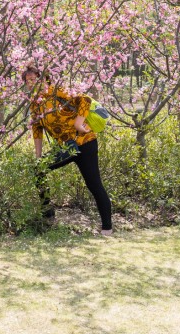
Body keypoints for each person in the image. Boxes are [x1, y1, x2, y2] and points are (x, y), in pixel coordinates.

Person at [23, 65, 113, 236]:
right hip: (67, 147)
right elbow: (37, 131)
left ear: (44, 79)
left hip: (85, 142)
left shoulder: (58, 92)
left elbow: (84, 100)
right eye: (28, 81)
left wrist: (78, 124)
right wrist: (38, 157)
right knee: (39, 168)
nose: (31, 83)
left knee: (94, 185)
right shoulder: (35, 105)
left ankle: (107, 228)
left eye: (34, 79)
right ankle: (48, 215)